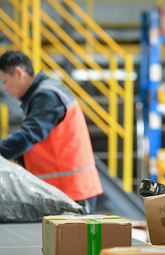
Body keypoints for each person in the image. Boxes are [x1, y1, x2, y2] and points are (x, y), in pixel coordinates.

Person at [0, 51, 103, 214]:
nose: (5, 88)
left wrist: (4, 148)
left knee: (72, 240)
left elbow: (26, 139)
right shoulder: (42, 94)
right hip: (64, 191)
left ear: (19, 73)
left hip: (72, 192)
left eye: (5, 81)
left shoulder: (46, 96)